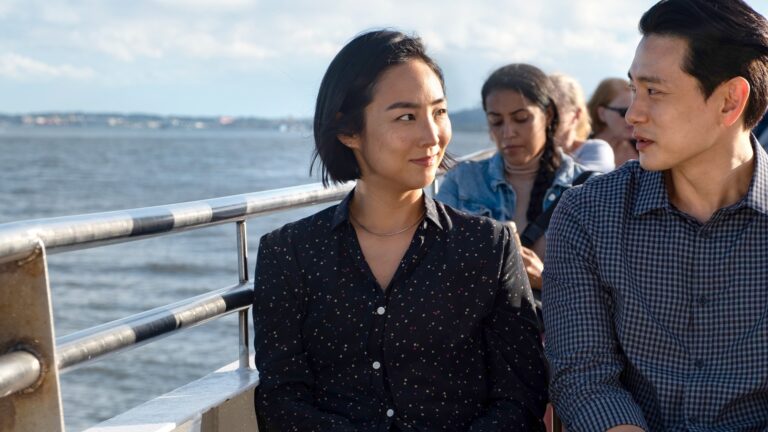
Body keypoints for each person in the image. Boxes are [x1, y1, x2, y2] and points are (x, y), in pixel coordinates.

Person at [252, 30, 547, 432]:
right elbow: (280, 400)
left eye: (439, 112)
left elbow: (521, 395)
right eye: (406, 117)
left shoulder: (488, 247)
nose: (432, 136)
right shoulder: (290, 253)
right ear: (348, 130)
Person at [543, 0, 768, 430]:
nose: (633, 114)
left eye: (655, 92)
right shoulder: (587, 214)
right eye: (634, 89)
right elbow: (584, 378)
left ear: (729, 101)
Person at [436, 64, 591, 290]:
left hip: (551, 314)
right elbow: (435, 262)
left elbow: (605, 288)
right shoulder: (462, 181)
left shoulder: (587, 189)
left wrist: (544, 280)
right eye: (496, 122)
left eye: (521, 118)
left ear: (548, 115)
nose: (508, 132)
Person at [550, 73, 615, 173]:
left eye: (554, 112)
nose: (546, 119)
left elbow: (589, 179)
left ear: (576, 115)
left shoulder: (596, 150)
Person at [588, 77, 639, 167]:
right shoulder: (581, 152)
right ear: (601, 113)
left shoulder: (643, 147)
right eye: (624, 111)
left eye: (636, 111)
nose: (632, 118)